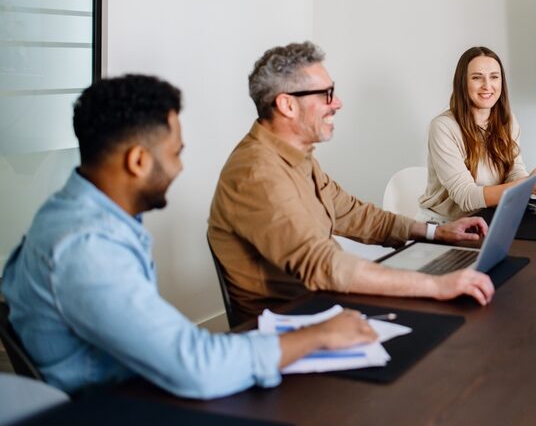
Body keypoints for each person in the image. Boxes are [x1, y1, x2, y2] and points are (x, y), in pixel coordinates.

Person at [1, 75, 377, 399]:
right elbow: (195, 364)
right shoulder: (88, 246)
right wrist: (317, 335)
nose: (180, 167)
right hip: (116, 405)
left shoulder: (69, 210)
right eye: (176, 153)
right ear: (137, 161)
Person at [208, 42, 495, 324]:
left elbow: (356, 215)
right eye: (326, 94)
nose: (337, 103)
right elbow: (325, 265)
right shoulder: (257, 174)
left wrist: (435, 233)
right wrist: (436, 286)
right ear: (287, 105)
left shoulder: (297, 158)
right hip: (291, 325)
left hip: (323, 304)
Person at [419, 47, 536, 221]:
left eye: (494, 77)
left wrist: (534, 180)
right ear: (462, 82)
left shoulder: (507, 120)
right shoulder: (443, 127)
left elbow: (514, 171)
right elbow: (466, 197)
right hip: (443, 225)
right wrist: (528, 185)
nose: (487, 86)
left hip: (487, 217)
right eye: (477, 78)